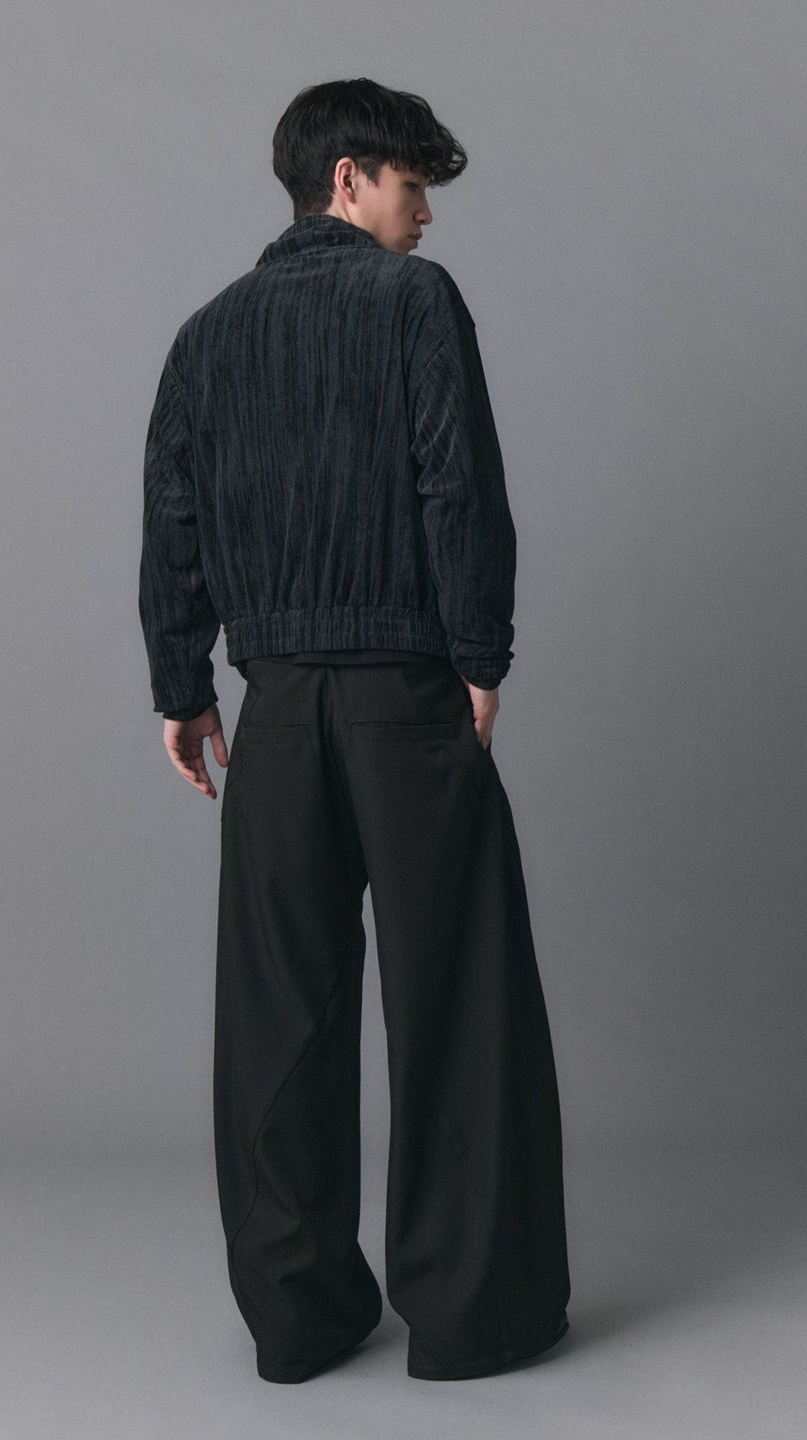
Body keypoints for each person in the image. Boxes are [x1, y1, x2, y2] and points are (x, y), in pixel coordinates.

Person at [139, 77, 570, 1383]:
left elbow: (173, 520)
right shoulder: (413, 303)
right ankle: (471, 1315)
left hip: (273, 714)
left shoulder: (207, 335)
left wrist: (183, 689)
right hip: (404, 700)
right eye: (412, 184)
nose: (425, 213)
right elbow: (459, 488)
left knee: (281, 1016)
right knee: (456, 1005)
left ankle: (299, 1316)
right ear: (348, 178)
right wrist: (479, 657)